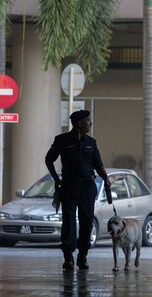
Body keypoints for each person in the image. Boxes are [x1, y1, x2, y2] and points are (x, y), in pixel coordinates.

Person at [45, 109, 112, 271]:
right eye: (88, 121)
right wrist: (56, 179)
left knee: (87, 221)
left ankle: (82, 256)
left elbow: (98, 164)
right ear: (79, 123)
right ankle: (68, 257)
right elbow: (49, 160)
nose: (91, 123)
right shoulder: (62, 140)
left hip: (87, 186)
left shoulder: (91, 142)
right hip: (69, 185)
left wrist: (106, 179)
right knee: (68, 221)